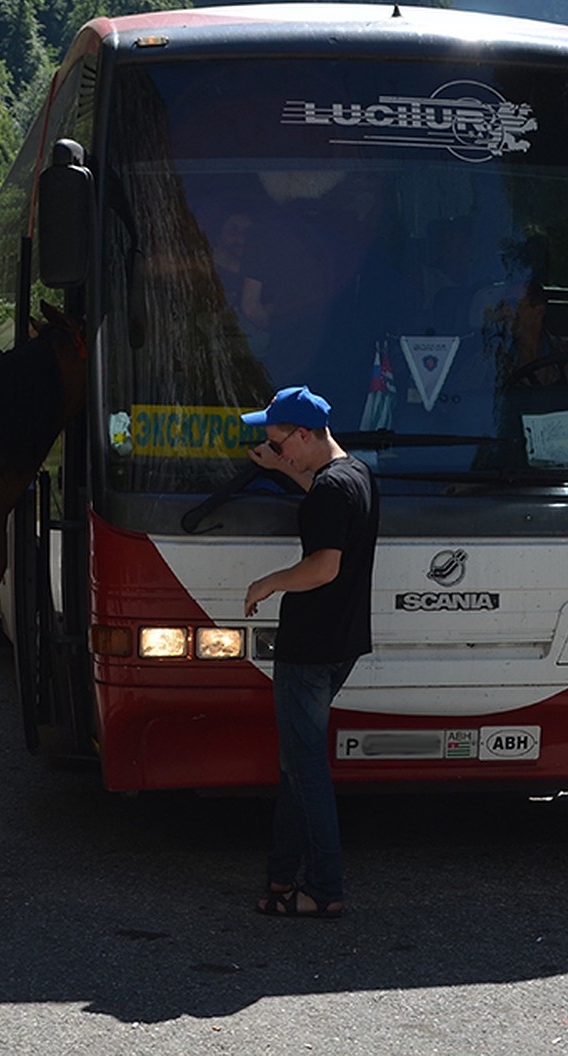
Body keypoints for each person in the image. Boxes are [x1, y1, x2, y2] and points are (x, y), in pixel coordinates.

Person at [242, 385, 378, 919]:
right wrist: (283, 472)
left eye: (279, 444)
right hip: (341, 643)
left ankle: (323, 887)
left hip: (309, 645)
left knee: (305, 769)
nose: (277, 453)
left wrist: (268, 583)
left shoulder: (328, 492)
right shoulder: (356, 475)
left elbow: (324, 566)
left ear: (303, 433)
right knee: (296, 764)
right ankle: (281, 874)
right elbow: (322, 491)